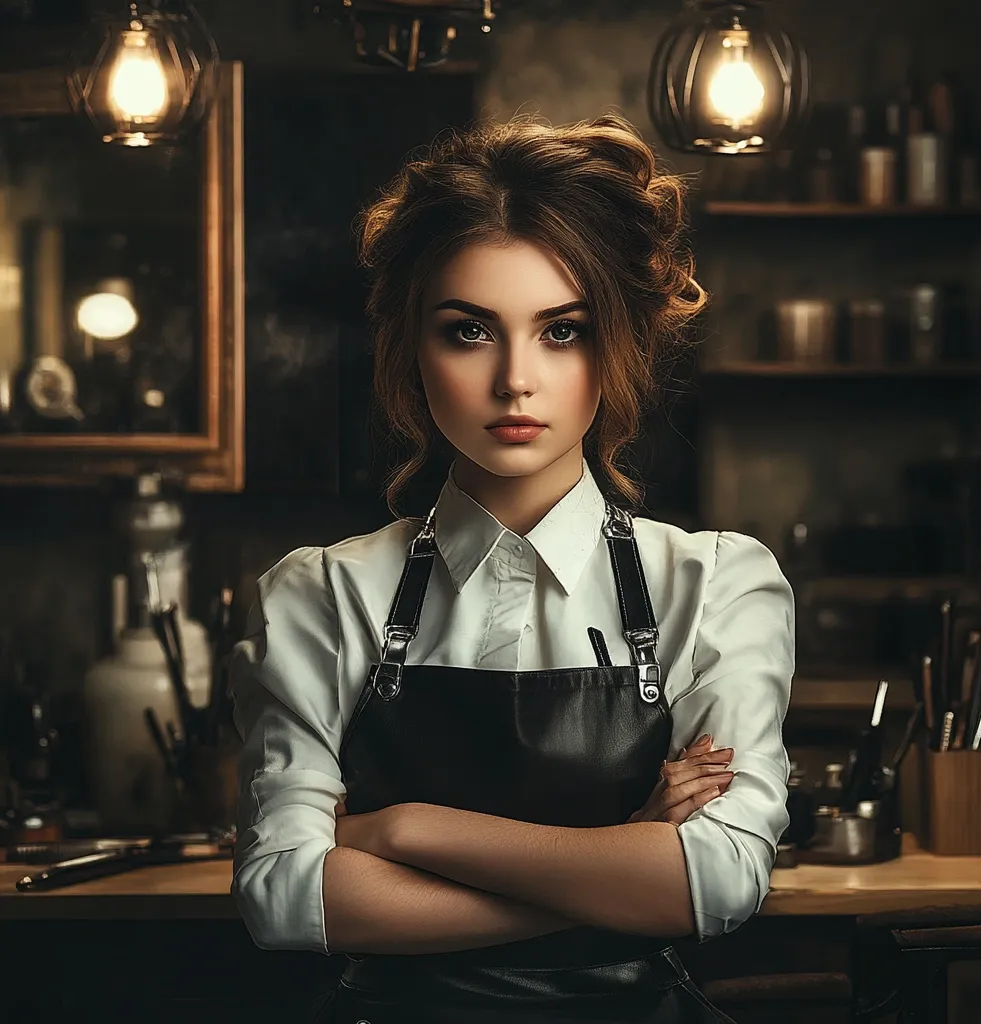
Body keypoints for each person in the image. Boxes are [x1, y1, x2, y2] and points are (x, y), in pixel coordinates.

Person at [229, 113, 794, 1024]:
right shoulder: (322, 594)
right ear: (410, 350)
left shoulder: (717, 586)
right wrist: (621, 862)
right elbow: (287, 898)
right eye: (469, 332)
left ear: (618, 345)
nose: (515, 380)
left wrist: (404, 830)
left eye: (562, 331)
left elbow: (718, 884)